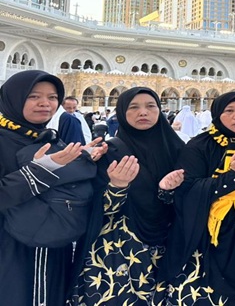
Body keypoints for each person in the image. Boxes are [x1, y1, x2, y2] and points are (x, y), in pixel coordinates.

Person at [72, 87, 185, 305]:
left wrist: (168, 191)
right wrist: (118, 186)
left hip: (167, 245)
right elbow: (95, 208)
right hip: (118, 250)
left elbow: (190, 200)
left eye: (150, 106)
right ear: (122, 112)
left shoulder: (177, 148)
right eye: (133, 107)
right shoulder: (109, 151)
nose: (143, 112)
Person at [164, 92, 235, 305]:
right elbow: (188, 189)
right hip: (210, 233)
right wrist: (234, 176)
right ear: (217, 114)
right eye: (229, 111)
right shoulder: (199, 145)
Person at [0, 70, 94, 305]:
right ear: (13, 98)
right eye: (33, 96)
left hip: (51, 245)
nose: (45, 103)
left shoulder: (49, 138)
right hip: (10, 247)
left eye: (52, 97)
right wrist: (38, 171)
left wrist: (82, 159)